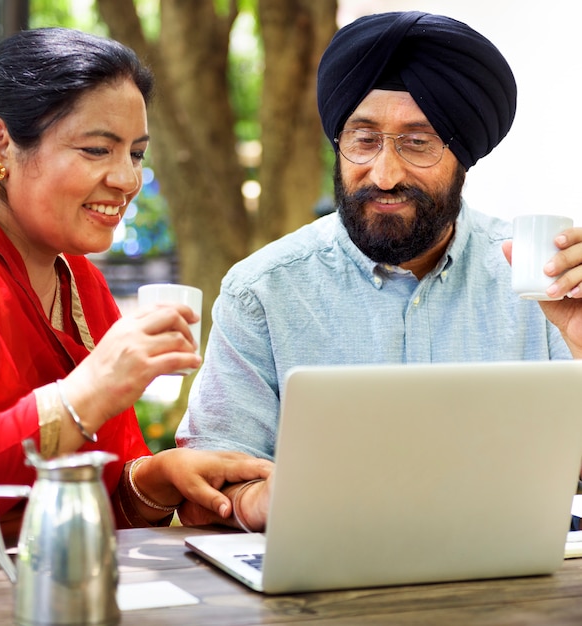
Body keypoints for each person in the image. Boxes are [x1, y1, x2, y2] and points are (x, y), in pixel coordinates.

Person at [176, 11, 582, 532]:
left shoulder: (537, 280)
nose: (385, 174)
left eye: (418, 143)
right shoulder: (263, 291)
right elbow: (202, 494)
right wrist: (264, 501)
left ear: (463, 156)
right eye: (363, 140)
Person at [0, 27, 272, 543]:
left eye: (136, 153)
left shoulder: (80, 280)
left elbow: (100, 498)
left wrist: (154, 479)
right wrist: (86, 392)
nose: (127, 179)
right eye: (98, 150)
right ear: (0, 145)